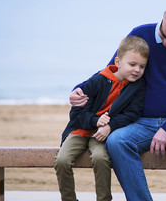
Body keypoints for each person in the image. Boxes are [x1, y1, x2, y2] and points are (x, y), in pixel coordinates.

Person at [70, 4, 166, 201]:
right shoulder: (141, 34)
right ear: (163, 16)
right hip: (141, 121)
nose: (165, 43)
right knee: (117, 140)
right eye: (163, 35)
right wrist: (79, 89)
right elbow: (113, 71)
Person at [55, 35, 149, 201]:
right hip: (79, 131)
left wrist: (109, 126)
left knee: (100, 158)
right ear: (118, 63)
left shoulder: (137, 87)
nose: (137, 70)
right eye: (132, 64)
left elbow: (132, 114)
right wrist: (95, 121)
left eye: (142, 66)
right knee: (62, 160)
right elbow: (76, 112)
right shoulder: (98, 80)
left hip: (101, 135)